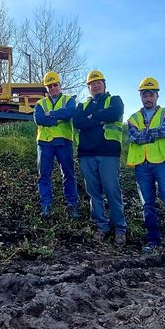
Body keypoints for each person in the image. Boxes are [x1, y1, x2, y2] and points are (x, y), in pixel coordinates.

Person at [125, 77, 165, 254]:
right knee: (147, 204)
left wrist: (144, 133)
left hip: (162, 163)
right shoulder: (133, 118)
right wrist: (151, 134)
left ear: (157, 95)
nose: (148, 98)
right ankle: (153, 241)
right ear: (140, 97)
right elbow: (133, 137)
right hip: (141, 165)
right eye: (145, 95)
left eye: (151, 95)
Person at [73, 69, 126, 245]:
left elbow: (114, 113)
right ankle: (101, 227)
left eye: (98, 83)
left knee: (112, 191)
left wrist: (93, 117)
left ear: (104, 84)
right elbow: (78, 122)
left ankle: (119, 228)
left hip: (108, 153)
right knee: (94, 193)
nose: (95, 86)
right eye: (92, 84)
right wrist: (100, 119)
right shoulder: (82, 106)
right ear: (88, 88)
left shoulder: (115, 100)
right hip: (87, 154)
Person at [34, 71, 79, 217]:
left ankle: (72, 205)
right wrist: (58, 117)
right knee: (44, 175)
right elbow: (39, 119)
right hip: (44, 143)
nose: (53, 88)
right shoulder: (40, 103)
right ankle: (45, 206)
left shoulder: (69, 100)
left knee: (68, 174)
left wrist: (50, 114)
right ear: (46, 88)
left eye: (55, 85)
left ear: (60, 85)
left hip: (63, 141)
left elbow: (70, 113)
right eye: (50, 86)